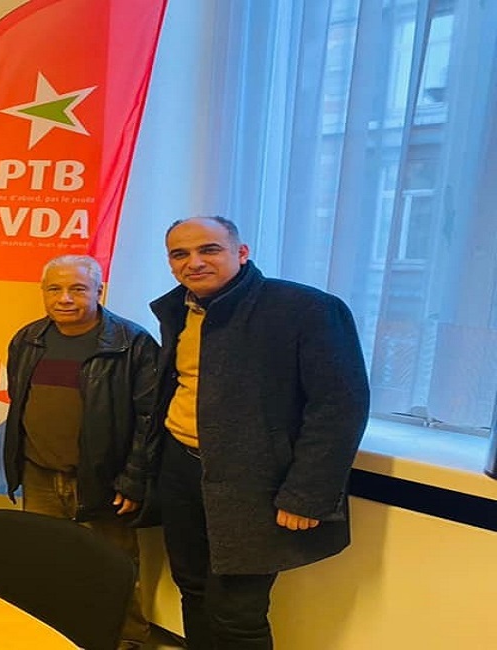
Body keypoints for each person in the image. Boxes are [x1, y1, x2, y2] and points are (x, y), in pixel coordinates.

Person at [151, 216, 370, 649]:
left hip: (254, 483)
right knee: (192, 588)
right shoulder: (179, 310)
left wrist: (306, 495)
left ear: (241, 252)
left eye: (209, 249)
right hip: (181, 469)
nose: (194, 262)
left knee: (237, 612)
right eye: (180, 254)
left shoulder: (305, 309)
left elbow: (339, 406)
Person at [4, 255, 160, 650]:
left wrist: (133, 479)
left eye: (77, 288)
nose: (65, 298)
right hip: (39, 474)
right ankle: (58, 635)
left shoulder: (132, 343)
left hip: (105, 479)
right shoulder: (28, 339)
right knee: (47, 561)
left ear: (98, 291)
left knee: (116, 567)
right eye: (54, 289)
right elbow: (20, 402)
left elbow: (150, 419)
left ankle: (129, 640)